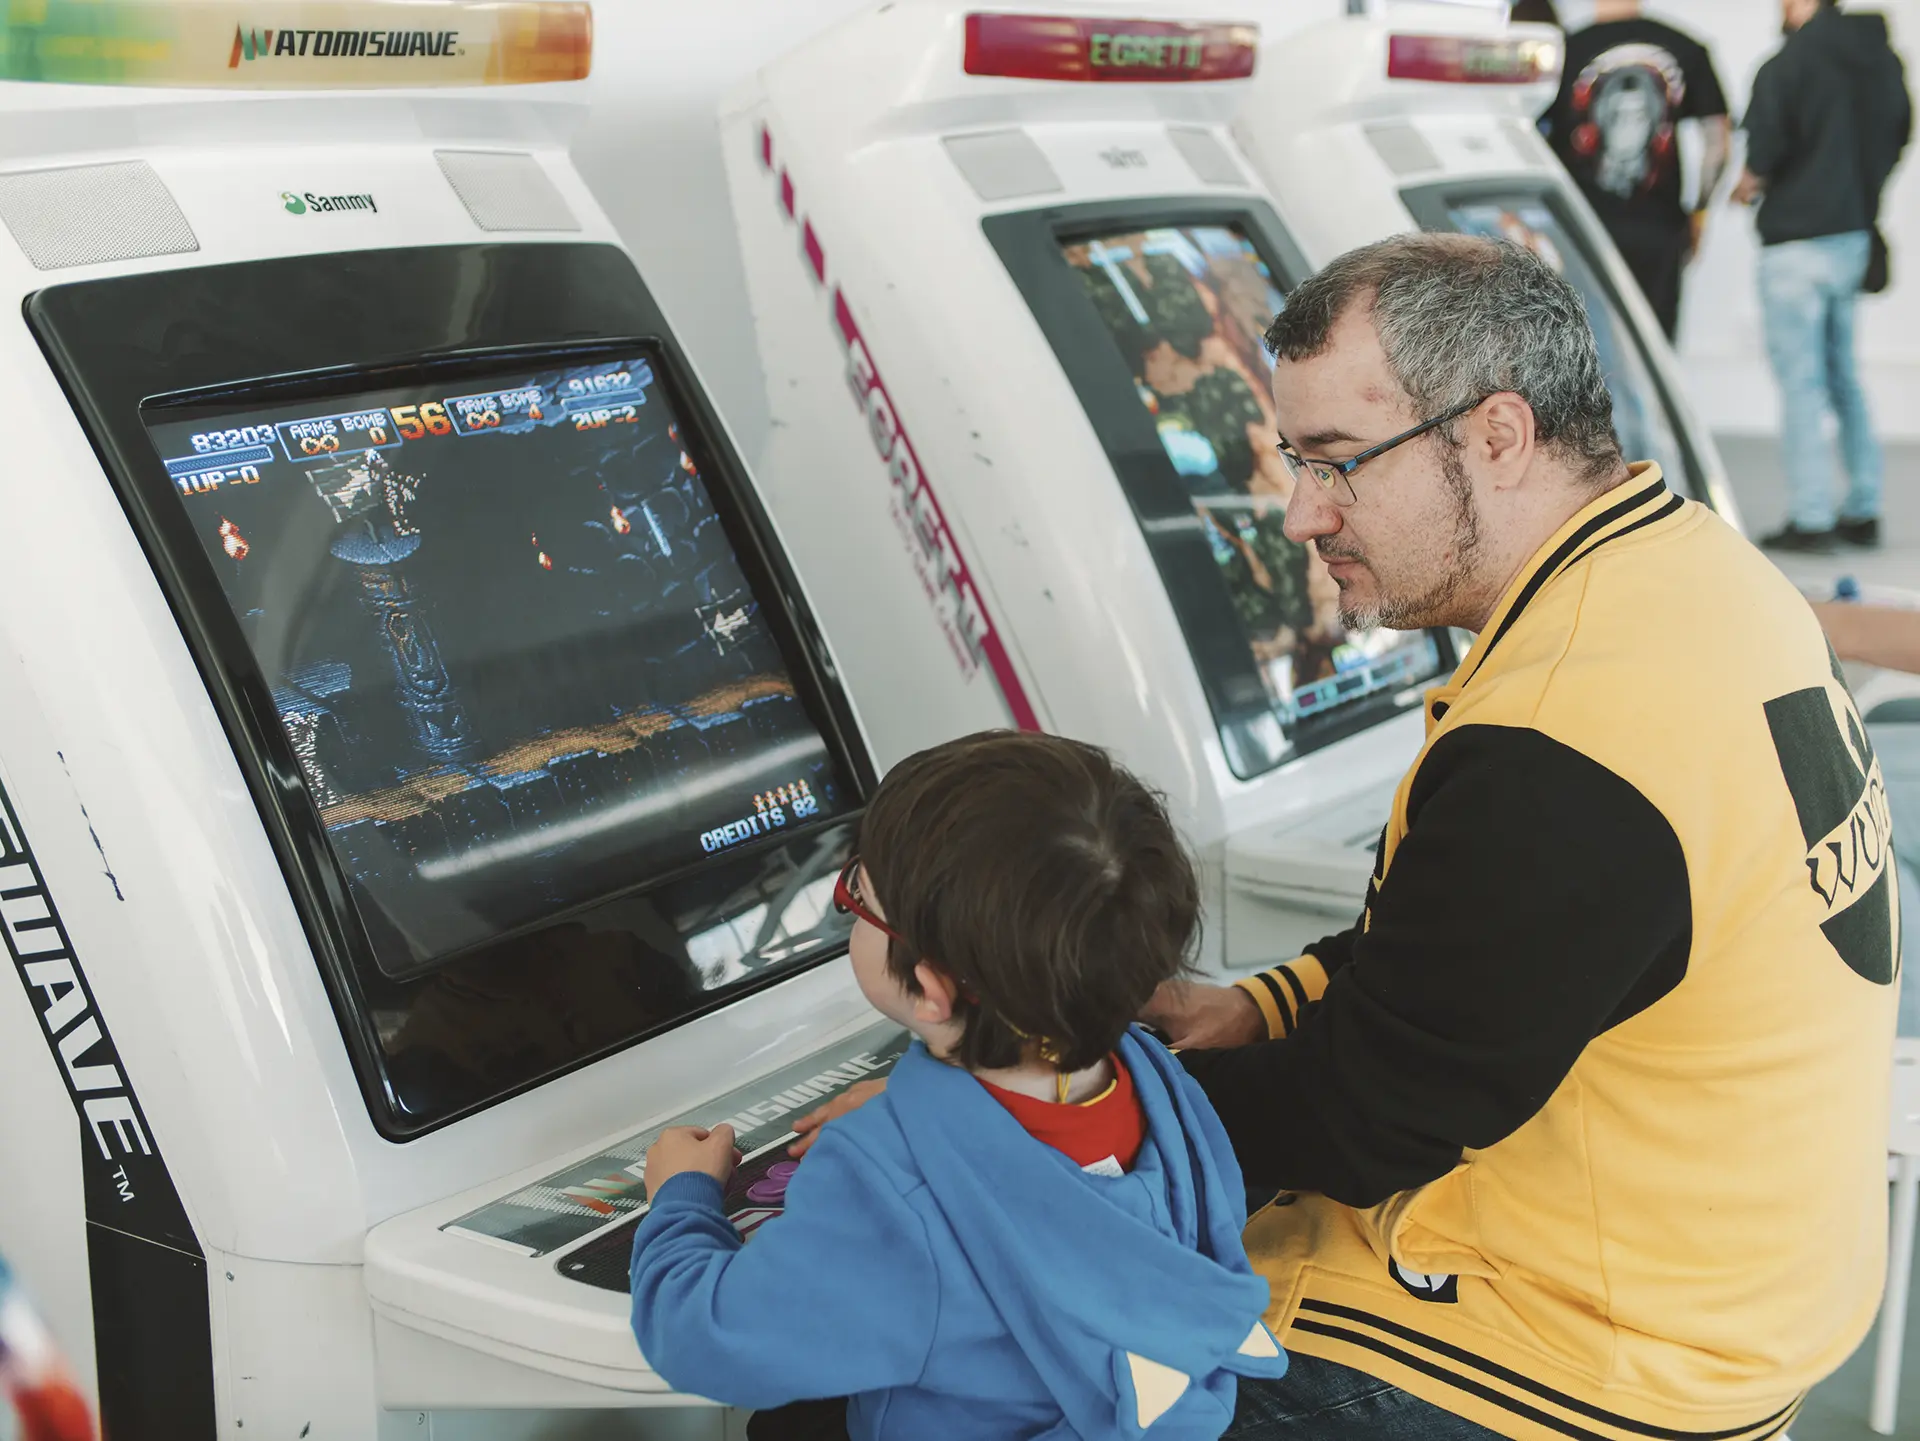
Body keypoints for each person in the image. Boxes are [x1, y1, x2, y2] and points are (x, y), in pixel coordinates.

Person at [1143, 233, 1898, 1438]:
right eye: (1296, 462)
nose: (1300, 515)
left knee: (943, 1371)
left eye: (1339, 463)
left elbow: (1363, 1121)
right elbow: (1475, 949)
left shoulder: (1569, 734)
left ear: (1498, 435)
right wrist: (1261, 1005)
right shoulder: (1696, 570)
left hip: (1579, 1360)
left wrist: (1049, 1109)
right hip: (1724, 1294)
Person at [627, 731, 1288, 1441]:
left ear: (932, 987)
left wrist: (680, 1199)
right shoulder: (1166, 1087)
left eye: (858, 894)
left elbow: (709, 1340)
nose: (849, 902)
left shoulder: (892, 1188)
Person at [1734, 0, 1911, 554]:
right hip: (1852, 235)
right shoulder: (1880, 61)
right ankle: (1864, 508)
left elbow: (1764, 153)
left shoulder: (1786, 65)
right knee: (1843, 375)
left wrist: (1747, 185)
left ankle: (1811, 517)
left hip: (1796, 245)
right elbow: (1898, 134)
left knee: (1803, 383)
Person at [1540, 0, 1730, 339]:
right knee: (1653, 349)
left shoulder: (1563, 50)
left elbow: (1530, 135)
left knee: (1579, 350)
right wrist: (1699, 214)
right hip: (1659, 227)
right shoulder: (1686, 46)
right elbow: (1718, 144)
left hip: (1580, 227)